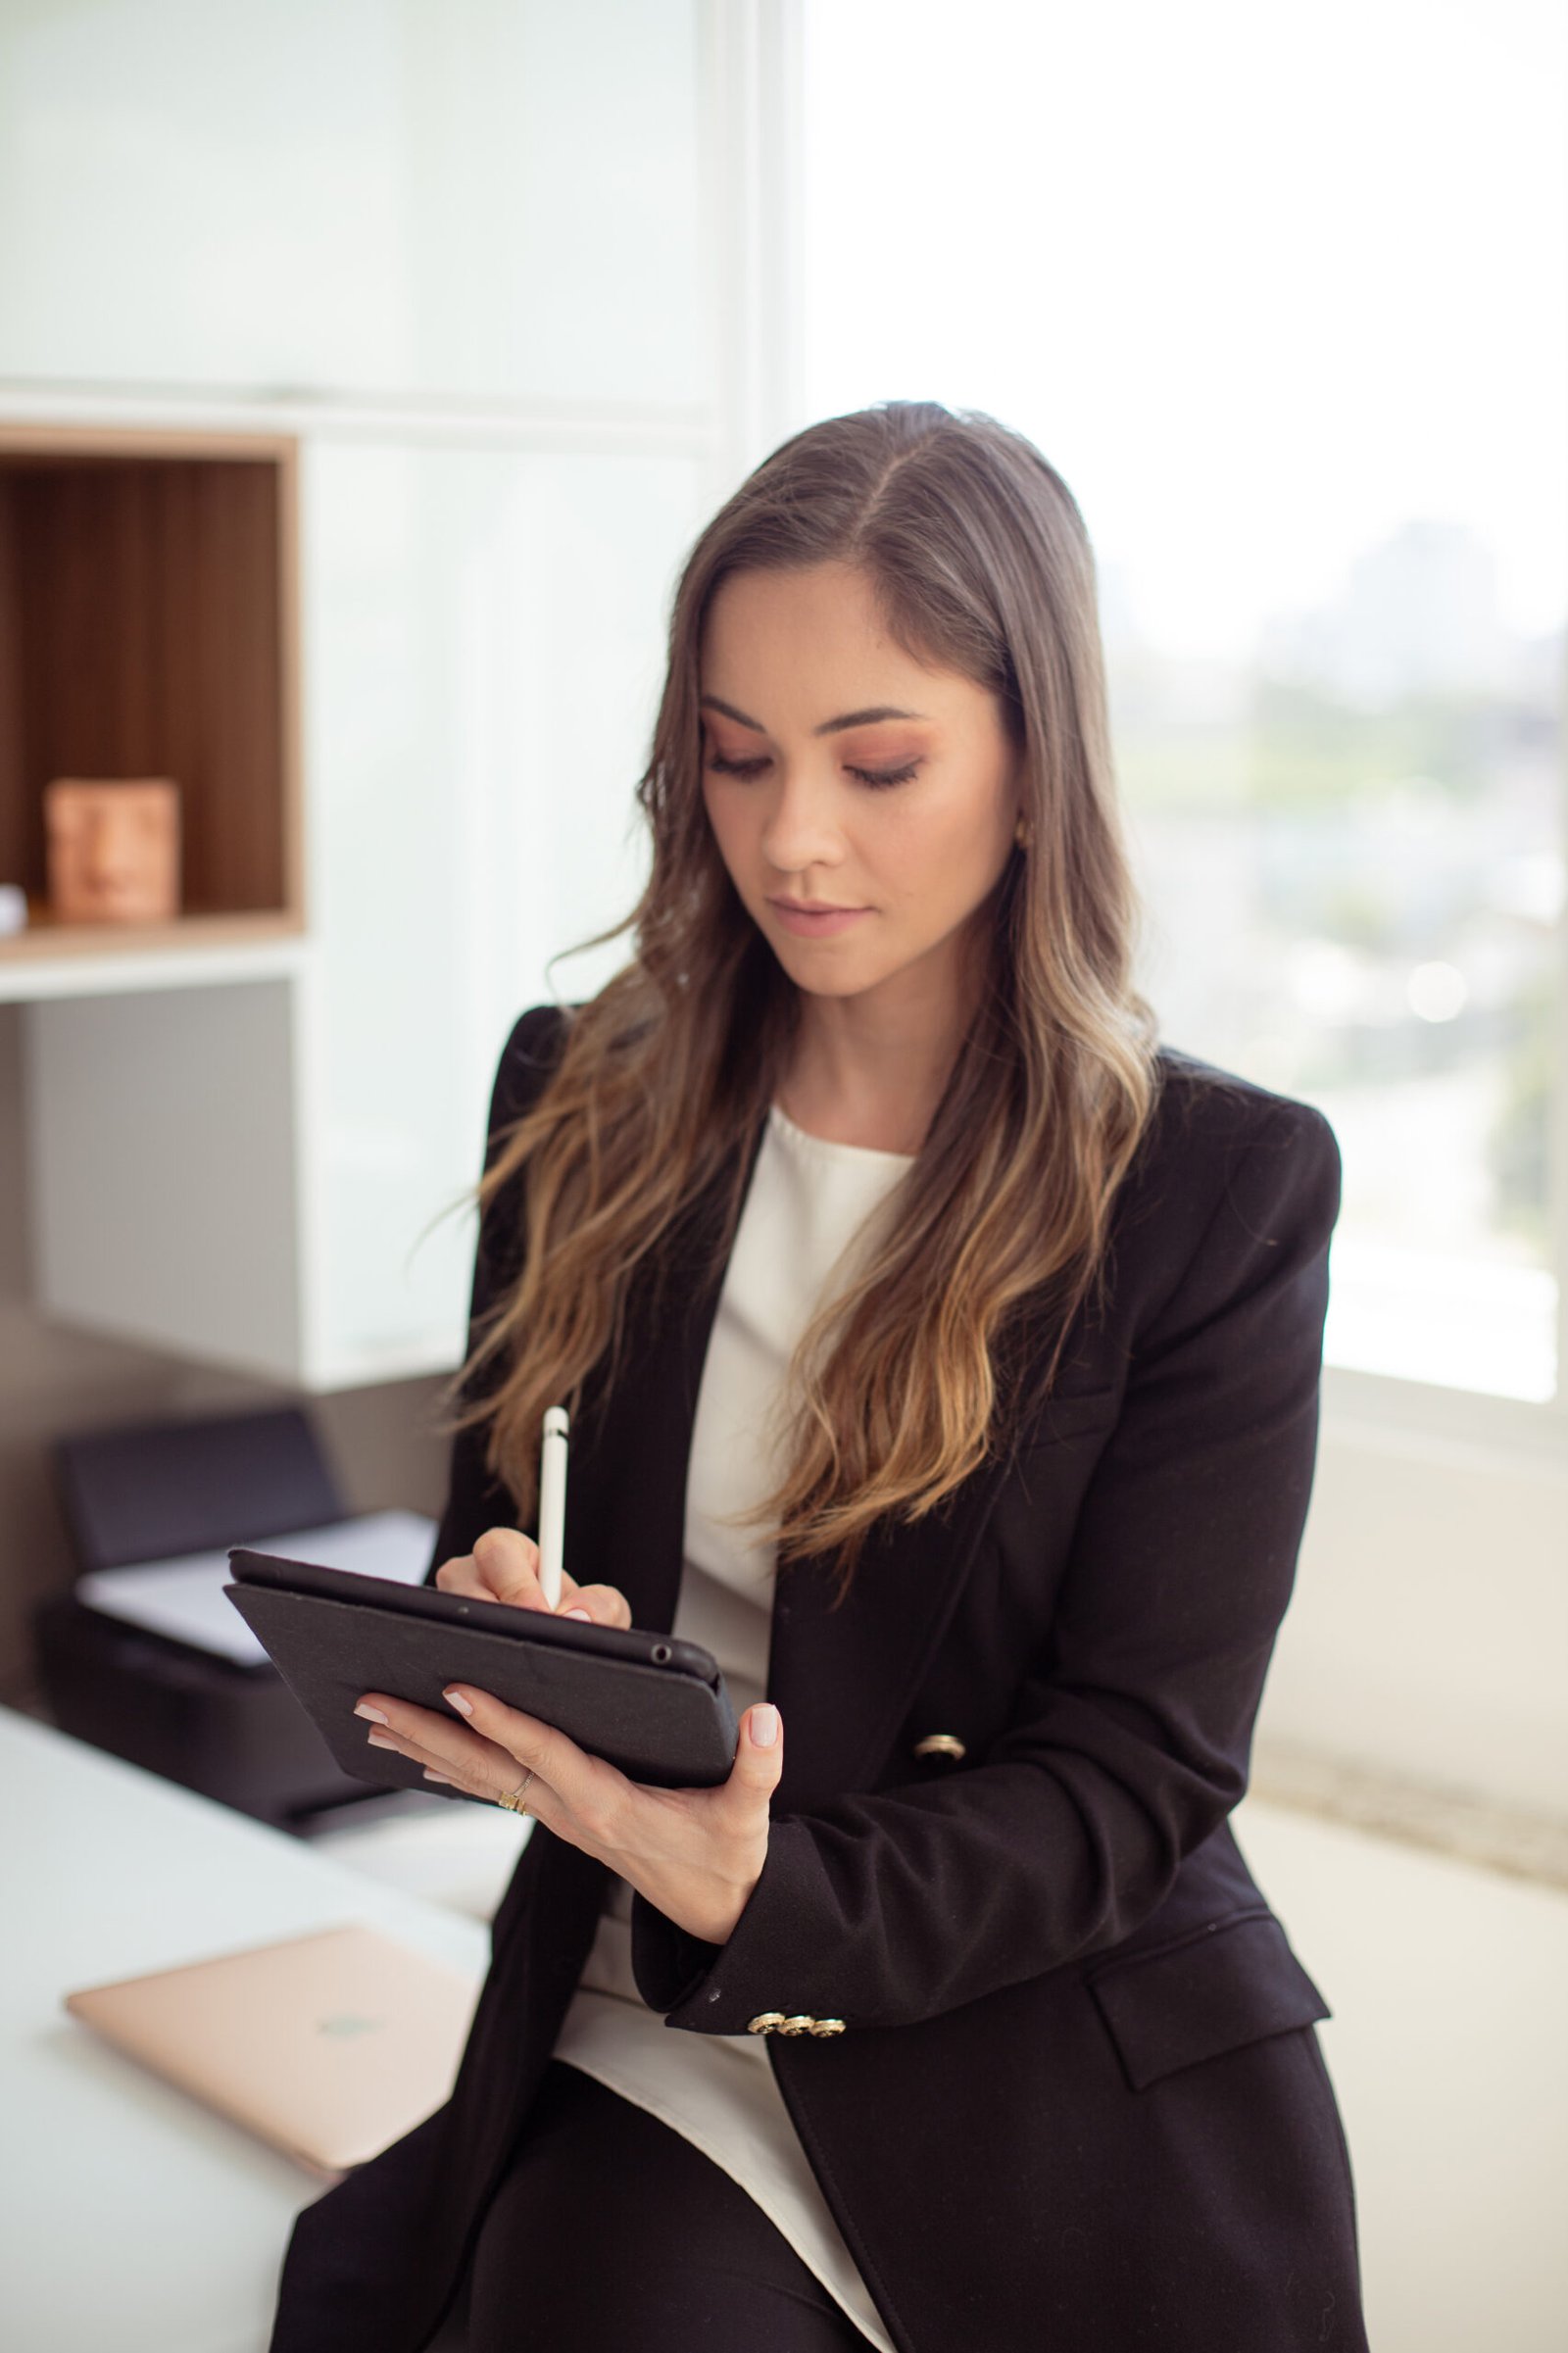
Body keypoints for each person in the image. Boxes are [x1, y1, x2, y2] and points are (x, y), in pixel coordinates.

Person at [269, 400, 1369, 2352]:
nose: (790, 836)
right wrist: (491, 1615)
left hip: (1034, 2060)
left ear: (1034, 767)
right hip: (638, 2008)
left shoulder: (1210, 1188)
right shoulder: (582, 1095)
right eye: (733, 756)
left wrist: (763, 1870)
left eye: (876, 762)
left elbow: (1136, 1777)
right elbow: (486, 1523)